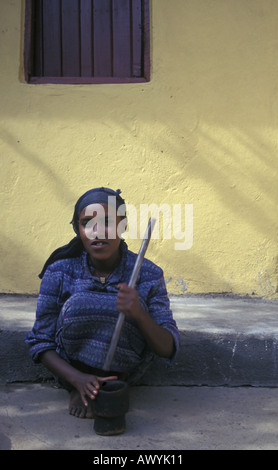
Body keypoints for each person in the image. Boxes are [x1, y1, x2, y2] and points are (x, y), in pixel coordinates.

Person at [25, 187, 180, 419]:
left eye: (108, 221)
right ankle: (80, 387)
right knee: (81, 304)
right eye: (87, 222)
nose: (98, 232)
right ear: (78, 229)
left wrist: (139, 313)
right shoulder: (59, 272)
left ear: (123, 226)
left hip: (126, 372)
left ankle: (113, 385)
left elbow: (168, 347)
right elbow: (39, 342)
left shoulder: (148, 274)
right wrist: (76, 379)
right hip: (72, 372)